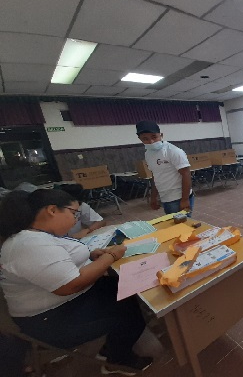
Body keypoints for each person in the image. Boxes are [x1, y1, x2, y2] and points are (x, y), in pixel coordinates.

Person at [0, 189, 152, 375]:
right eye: (73, 213)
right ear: (52, 210)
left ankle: (113, 347)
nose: (75, 220)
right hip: (50, 320)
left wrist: (91, 254)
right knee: (128, 314)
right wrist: (111, 255)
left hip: (65, 304)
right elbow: (70, 285)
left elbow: (61, 257)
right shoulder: (28, 244)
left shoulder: (38, 235)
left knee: (127, 289)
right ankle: (117, 360)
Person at [136, 120, 194, 215]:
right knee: (173, 226)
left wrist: (185, 199)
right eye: (145, 139)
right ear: (140, 139)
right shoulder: (148, 154)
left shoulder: (173, 151)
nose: (151, 141)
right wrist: (153, 196)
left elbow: (186, 174)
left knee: (183, 227)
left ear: (161, 135)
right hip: (165, 198)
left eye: (154, 137)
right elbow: (155, 175)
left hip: (179, 197)